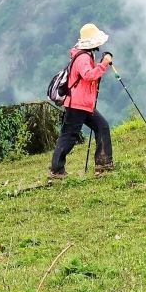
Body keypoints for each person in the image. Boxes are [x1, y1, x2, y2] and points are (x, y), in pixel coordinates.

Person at [48, 23, 115, 180]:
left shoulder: (85, 55)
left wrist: (100, 64)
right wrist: (104, 64)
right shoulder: (83, 57)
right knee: (69, 136)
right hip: (77, 105)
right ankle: (56, 170)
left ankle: (104, 163)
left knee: (102, 126)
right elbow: (89, 75)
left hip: (84, 104)